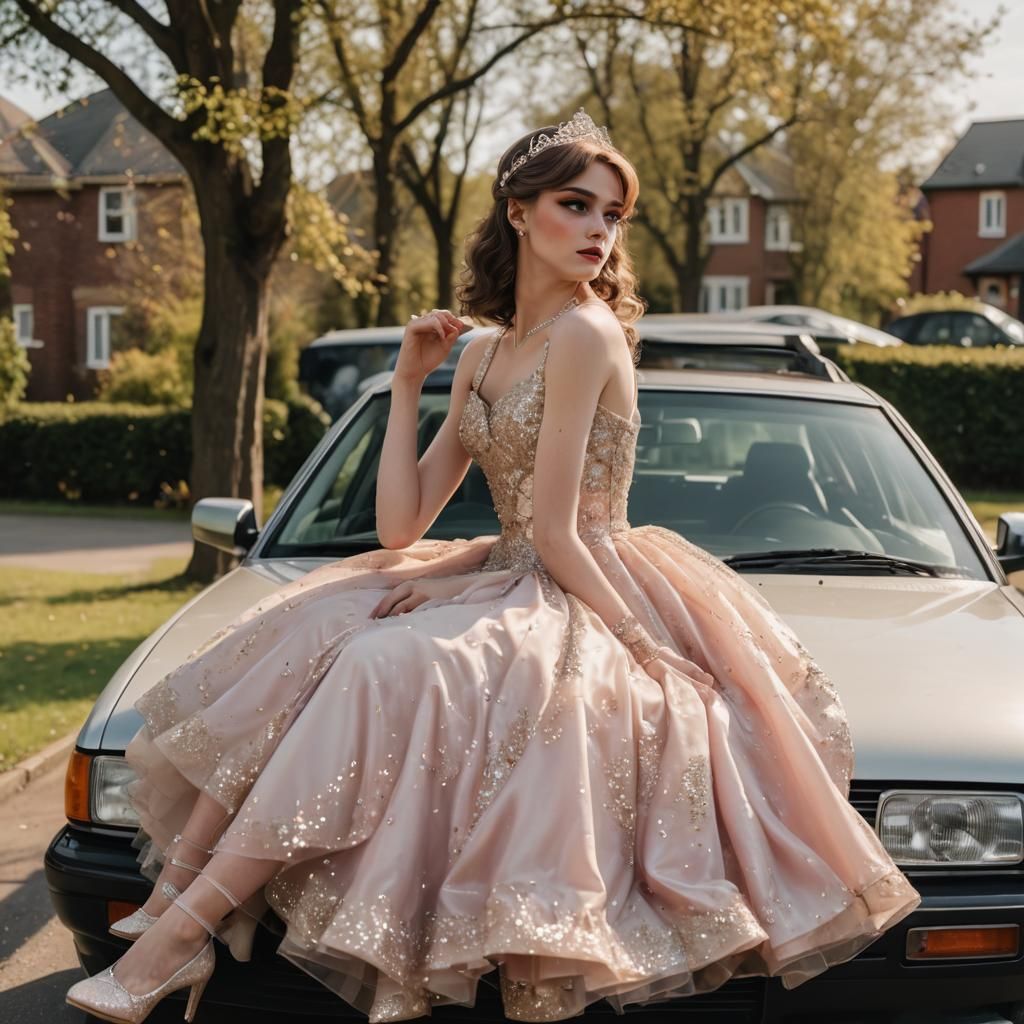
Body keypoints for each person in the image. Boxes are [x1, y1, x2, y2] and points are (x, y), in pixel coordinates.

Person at [66, 108, 921, 1024]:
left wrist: (639, 641)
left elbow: (556, 530)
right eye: (576, 204)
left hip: (589, 579)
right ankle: (179, 906)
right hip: (514, 563)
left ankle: (177, 935)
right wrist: (405, 386)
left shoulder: (588, 336)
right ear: (518, 212)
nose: (600, 230)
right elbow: (401, 522)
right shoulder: (479, 349)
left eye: (613, 215)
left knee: (375, 656)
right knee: (324, 620)